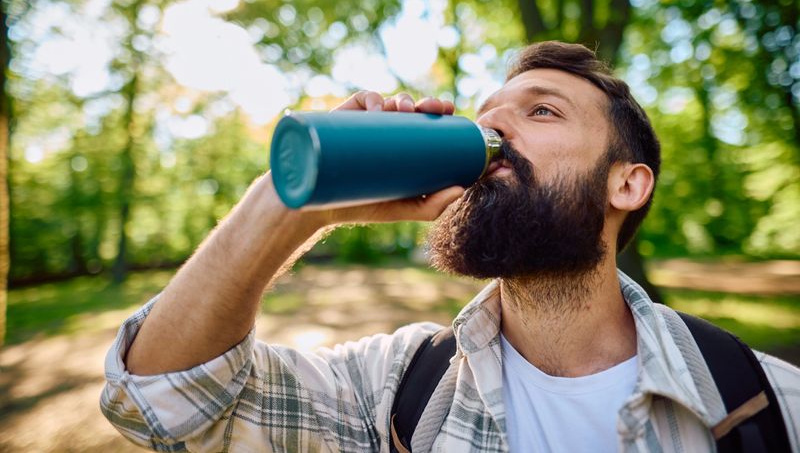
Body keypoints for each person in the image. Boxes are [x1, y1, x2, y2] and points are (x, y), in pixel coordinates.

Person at [100, 41, 799, 452]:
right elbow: (161, 401)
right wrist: (288, 207)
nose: (493, 131)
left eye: (542, 111)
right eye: (487, 117)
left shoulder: (769, 404)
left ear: (627, 183)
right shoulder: (395, 390)